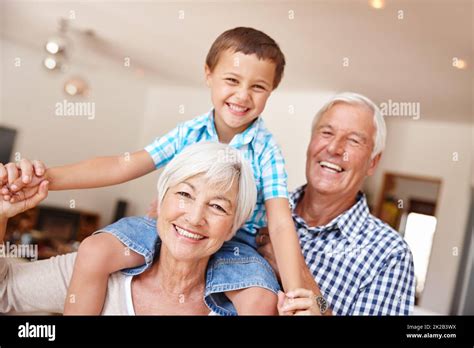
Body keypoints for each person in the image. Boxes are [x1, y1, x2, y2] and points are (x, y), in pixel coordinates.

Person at [0, 27, 314, 315]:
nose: (243, 95)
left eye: (258, 87)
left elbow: (281, 224)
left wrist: (296, 292)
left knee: (260, 301)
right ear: (208, 74)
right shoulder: (189, 133)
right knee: (95, 250)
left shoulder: (266, 150)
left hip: (238, 246)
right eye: (232, 80)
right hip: (166, 231)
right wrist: (44, 181)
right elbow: (121, 165)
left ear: (271, 92)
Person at [0, 143, 264, 315]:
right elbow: (4, 293)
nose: (195, 218)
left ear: (233, 226)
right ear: (160, 202)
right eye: (185, 194)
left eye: (217, 207)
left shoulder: (244, 303)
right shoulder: (99, 268)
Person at [257, 92, 416, 315]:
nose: (334, 148)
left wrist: (295, 267)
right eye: (326, 132)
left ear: (373, 162)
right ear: (310, 143)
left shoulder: (389, 253)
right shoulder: (259, 209)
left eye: (353, 140)